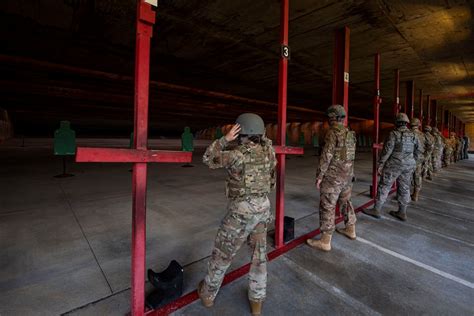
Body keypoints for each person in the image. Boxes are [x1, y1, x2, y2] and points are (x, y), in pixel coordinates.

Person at [198, 113, 277, 316]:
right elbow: (272, 177)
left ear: (241, 132)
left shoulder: (236, 155)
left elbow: (208, 158)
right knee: (259, 257)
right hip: (263, 208)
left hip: (241, 212)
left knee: (222, 254)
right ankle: (257, 302)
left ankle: (207, 294)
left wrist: (225, 139)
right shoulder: (269, 152)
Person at [306, 104, 357, 252]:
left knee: (327, 206)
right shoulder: (350, 133)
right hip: (347, 176)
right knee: (346, 202)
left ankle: (325, 241)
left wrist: (320, 176)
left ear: (332, 118)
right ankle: (351, 229)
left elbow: (326, 156)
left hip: (333, 177)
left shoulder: (332, 133)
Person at [363, 113, 421, 221]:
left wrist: (380, 164)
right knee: (405, 187)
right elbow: (418, 151)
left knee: (384, 185)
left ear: (397, 123)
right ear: (406, 123)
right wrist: (413, 162)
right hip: (408, 166)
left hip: (394, 165)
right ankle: (402, 212)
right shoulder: (414, 135)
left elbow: (387, 151)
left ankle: (376, 209)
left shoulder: (393, 134)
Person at [409, 118, 425, 202]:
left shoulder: (408, 133)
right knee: (417, 176)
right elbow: (429, 146)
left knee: (406, 176)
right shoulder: (422, 134)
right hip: (419, 158)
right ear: (418, 125)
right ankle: (416, 195)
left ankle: (404, 195)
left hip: (409, 158)